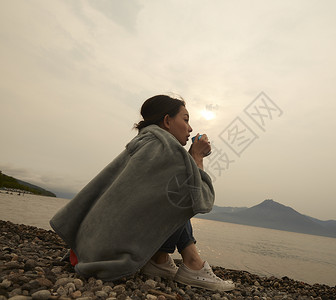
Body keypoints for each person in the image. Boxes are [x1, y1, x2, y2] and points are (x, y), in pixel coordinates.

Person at [50, 95, 234, 292]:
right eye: (186, 119)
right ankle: (193, 263)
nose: (190, 128)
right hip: (106, 255)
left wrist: (189, 161)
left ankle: (160, 259)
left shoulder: (147, 143)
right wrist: (197, 156)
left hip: (88, 248)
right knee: (180, 197)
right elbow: (199, 198)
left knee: (175, 193)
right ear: (167, 121)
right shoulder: (165, 148)